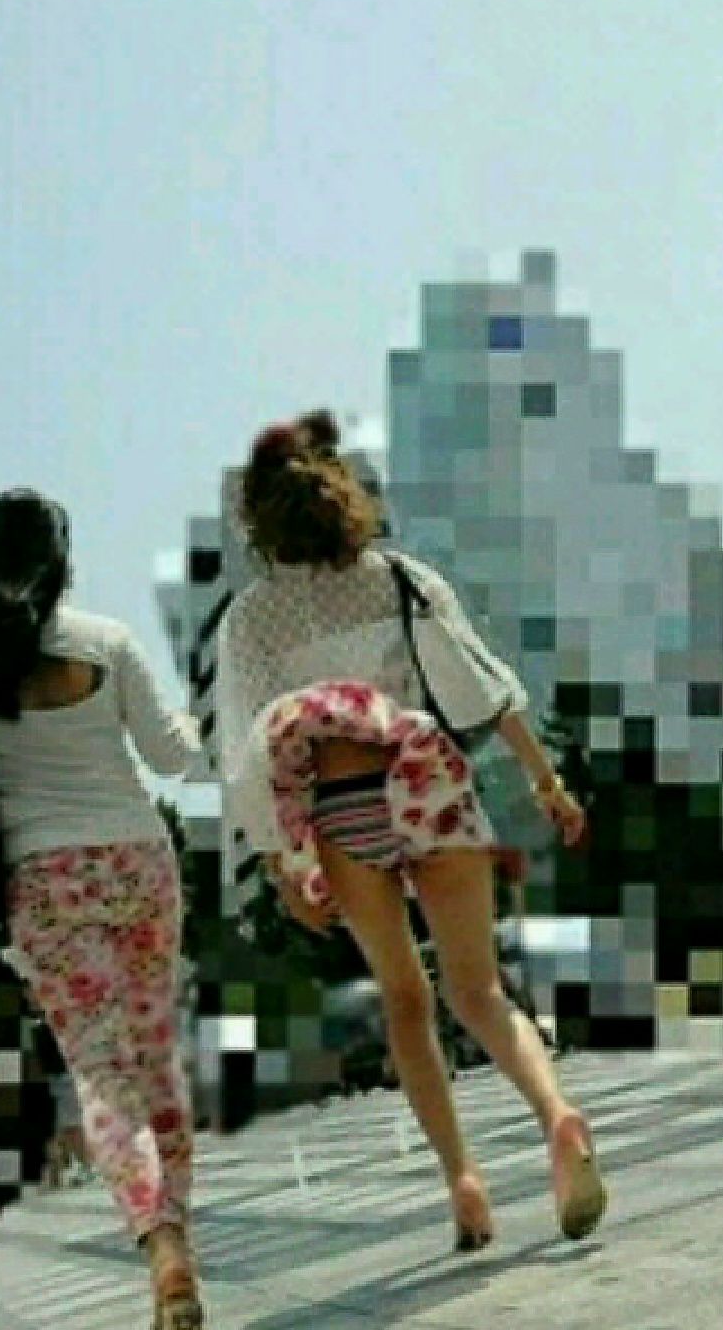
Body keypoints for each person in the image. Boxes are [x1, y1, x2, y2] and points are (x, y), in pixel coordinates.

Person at [216, 412, 607, 1248]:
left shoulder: (250, 619)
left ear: (259, 519)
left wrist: (284, 864)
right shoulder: (398, 577)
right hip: (427, 780)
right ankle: (558, 1117)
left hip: (343, 807)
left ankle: (464, 1183)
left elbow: (248, 749)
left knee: (405, 1001)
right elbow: (479, 682)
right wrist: (544, 778)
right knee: (480, 990)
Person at [0, 488, 205, 1330]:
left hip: (43, 882)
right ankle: (178, 1245)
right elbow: (173, 757)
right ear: (61, 561)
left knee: (102, 1077)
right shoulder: (108, 643)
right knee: (155, 1059)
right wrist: (200, 714)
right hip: (138, 861)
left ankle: (161, 1245)